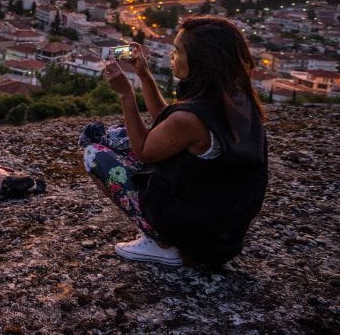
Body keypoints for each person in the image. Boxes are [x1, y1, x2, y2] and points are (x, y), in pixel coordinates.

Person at [81, 16, 267, 266]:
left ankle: (162, 243)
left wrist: (126, 95)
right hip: (217, 229)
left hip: (193, 235)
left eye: (178, 51)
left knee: (94, 152)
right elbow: (167, 125)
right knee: (117, 136)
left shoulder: (192, 118)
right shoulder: (233, 97)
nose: (172, 56)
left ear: (201, 62)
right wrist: (144, 75)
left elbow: (145, 151)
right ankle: (171, 238)